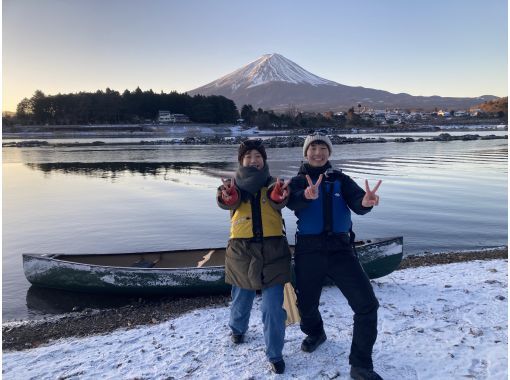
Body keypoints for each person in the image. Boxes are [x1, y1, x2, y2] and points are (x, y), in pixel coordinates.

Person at [287, 132, 383, 380]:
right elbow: (291, 203)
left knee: (367, 305)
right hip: (309, 250)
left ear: (329, 153)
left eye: (323, 148)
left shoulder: (341, 179)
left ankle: (360, 364)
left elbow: (358, 203)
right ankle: (316, 332)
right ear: (305, 153)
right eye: (313, 148)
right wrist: (305, 196)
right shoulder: (297, 181)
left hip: (341, 249)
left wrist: (366, 201)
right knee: (306, 305)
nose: (318, 153)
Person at [216, 139, 292, 375]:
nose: (253, 160)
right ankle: (237, 330)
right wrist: (225, 196)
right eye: (248, 156)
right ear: (241, 161)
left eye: (257, 156)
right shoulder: (232, 187)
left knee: (273, 308)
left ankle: (275, 354)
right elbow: (228, 200)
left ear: (264, 160)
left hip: (274, 253)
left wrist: (281, 195)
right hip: (241, 252)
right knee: (241, 300)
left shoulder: (273, 184)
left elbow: (277, 199)